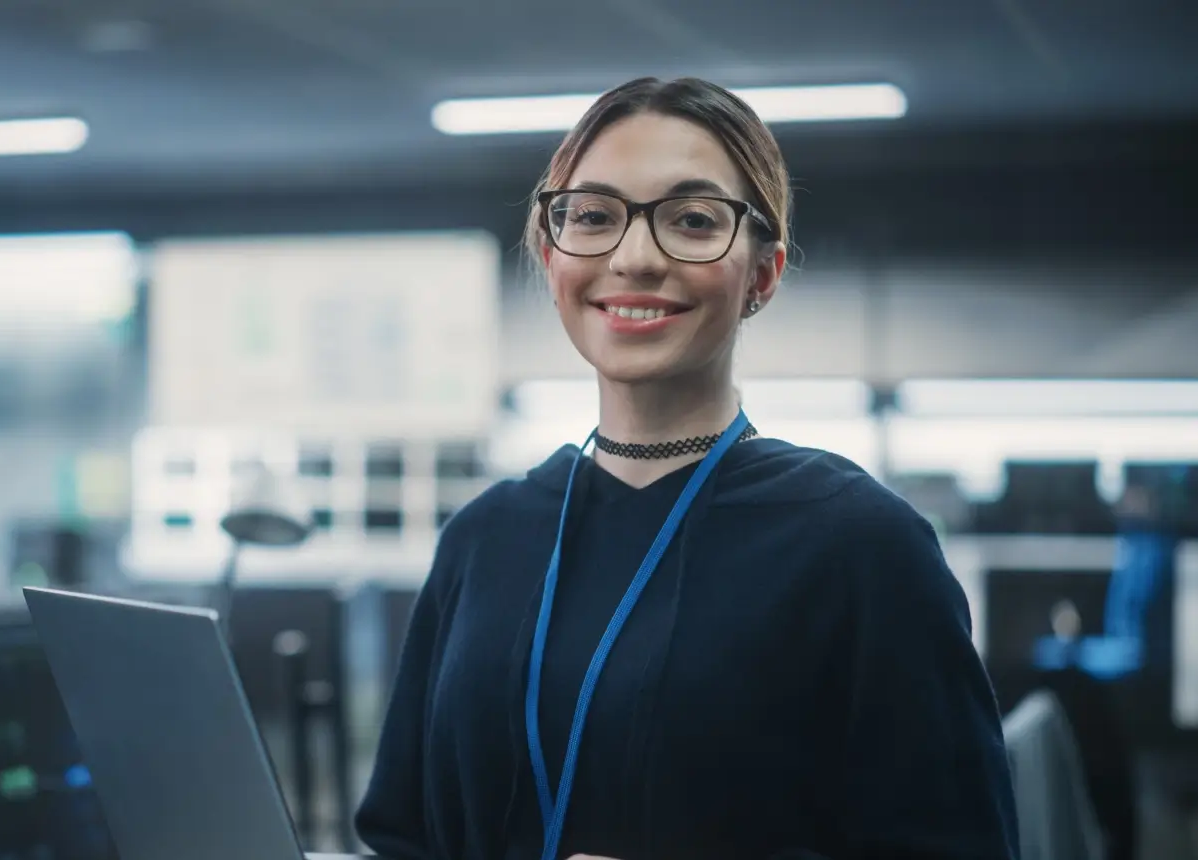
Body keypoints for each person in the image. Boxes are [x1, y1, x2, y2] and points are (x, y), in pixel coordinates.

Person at [355, 77, 1019, 860]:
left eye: (693, 221)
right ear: (551, 252)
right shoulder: (484, 538)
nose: (635, 257)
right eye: (594, 217)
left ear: (762, 275)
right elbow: (402, 839)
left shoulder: (860, 544)